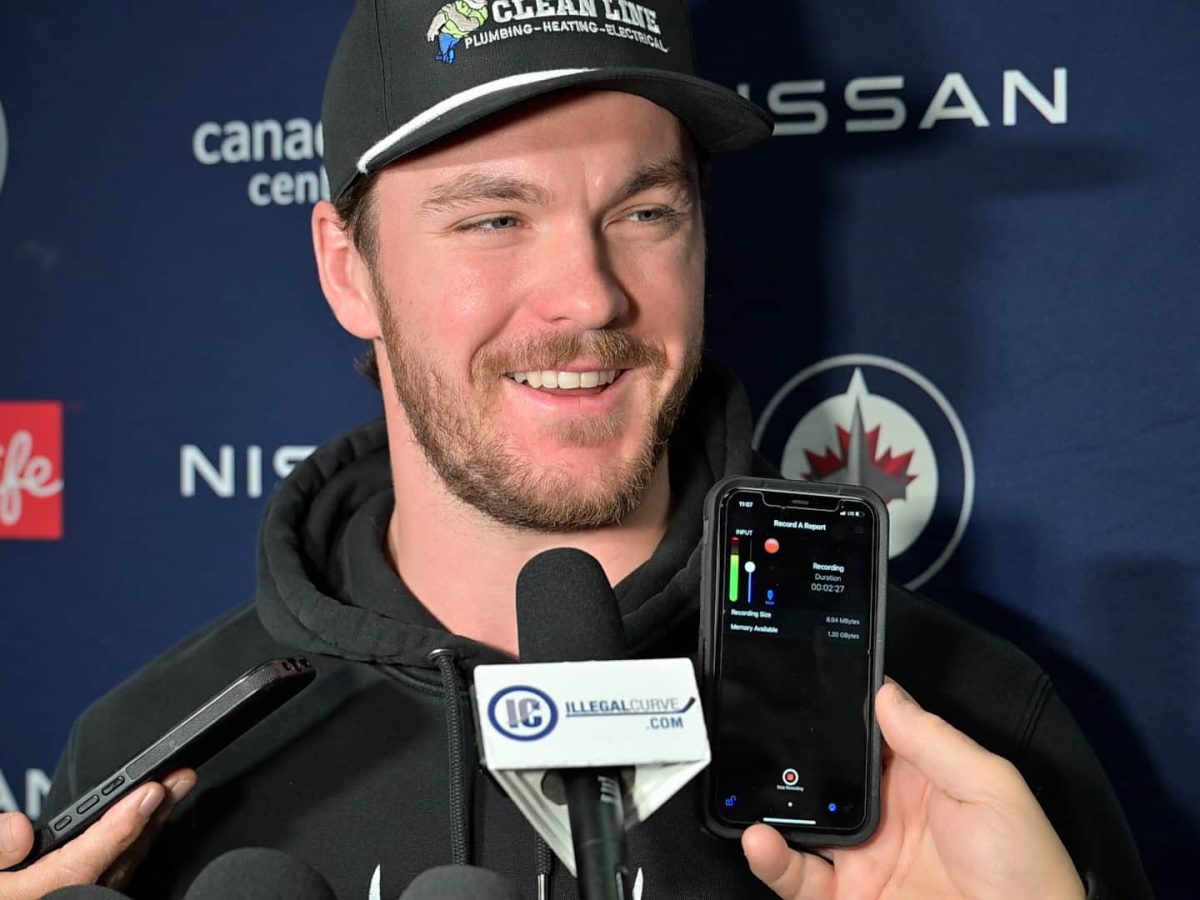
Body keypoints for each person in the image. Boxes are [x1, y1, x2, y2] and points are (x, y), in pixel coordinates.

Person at [0, 2, 1153, 898]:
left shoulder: (960, 738)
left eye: (644, 213)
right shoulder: (150, 768)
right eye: (495, 219)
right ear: (348, 268)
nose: (589, 295)